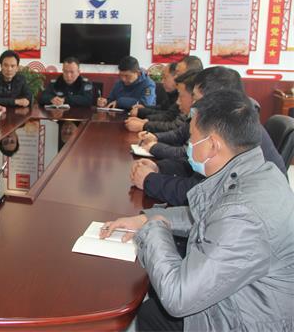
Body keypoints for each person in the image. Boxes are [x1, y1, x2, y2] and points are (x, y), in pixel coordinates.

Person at [101, 90, 294, 331]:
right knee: (151, 311)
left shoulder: (244, 214)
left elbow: (178, 297)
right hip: (239, 300)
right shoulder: (254, 171)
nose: (188, 146)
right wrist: (145, 218)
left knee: (154, 305)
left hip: (246, 322)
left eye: (192, 139)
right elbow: (207, 215)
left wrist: (154, 228)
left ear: (213, 145)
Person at [133, 66, 286, 205]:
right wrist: (160, 167)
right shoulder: (226, 121)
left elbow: (200, 194)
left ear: (216, 100)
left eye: (196, 99)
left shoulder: (232, 132)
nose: (193, 105)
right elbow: (195, 166)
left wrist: (149, 180)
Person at [126, 56, 203, 132]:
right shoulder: (177, 93)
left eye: (178, 73)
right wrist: (144, 114)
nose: (175, 78)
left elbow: (175, 125)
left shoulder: (196, 105)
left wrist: (144, 124)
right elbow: (166, 111)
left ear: (191, 75)